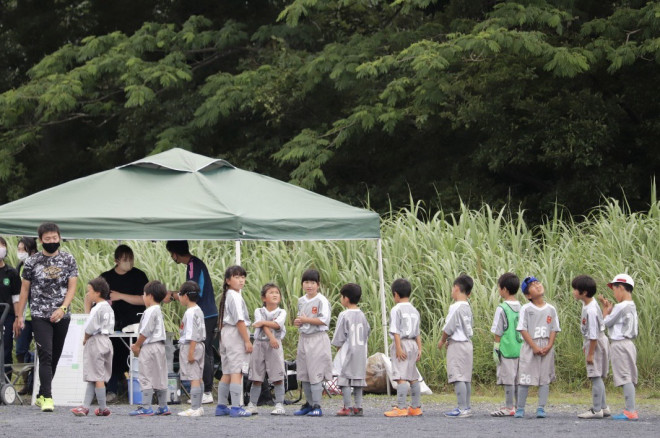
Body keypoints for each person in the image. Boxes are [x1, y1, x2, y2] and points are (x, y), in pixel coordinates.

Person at [13, 222, 78, 412]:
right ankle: (48, 398)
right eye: (47, 239)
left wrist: (63, 308)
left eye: (54, 238)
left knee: (55, 356)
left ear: (59, 237)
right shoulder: (32, 262)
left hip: (62, 315)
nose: (51, 241)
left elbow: (72, 286)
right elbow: (24, 290)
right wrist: (20, 316)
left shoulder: (68, 259)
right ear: (41, 240)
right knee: (46, 354)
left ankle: (42, 393)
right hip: (39, 314)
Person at [166, 240, 217, 404]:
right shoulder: (194, 264)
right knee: (205, 350)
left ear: (174, 253)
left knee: (204, 351)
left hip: (205, 314)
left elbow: (193, 290)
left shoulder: (193, 265)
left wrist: (173, 295)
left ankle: (207, 391)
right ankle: (203, 388)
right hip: (207, 313)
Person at [98, 244, 148, 402]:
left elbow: (145, 299)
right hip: (112, 325)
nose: (129, 262)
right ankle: (111, 389)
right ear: (116, 260)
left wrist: (121, 295)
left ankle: (140, 389)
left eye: (131, 259)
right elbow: (94, 298)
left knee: (135, 356)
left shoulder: (139, 276)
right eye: (125, 260)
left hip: (135, 324)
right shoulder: (106, 278)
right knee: (111, 356)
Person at [515, 276, 560, 419]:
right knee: (525, 378)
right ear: (528, 295)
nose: (537, 286)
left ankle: (541, 408)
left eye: (538, 283)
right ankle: (520, 408)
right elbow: (522, 329)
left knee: (544, 378)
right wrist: (534, 347)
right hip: (530, 346)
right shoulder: (526, 309)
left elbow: (554, 328)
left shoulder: (551, 309)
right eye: (533, 286)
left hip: (546, 346)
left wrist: (550, 345)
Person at [71, 277, 115, 417]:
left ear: (98, 292)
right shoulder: (108, 307)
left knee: (97, 376)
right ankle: (85, 406)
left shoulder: (97, 309)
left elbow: (89, 327)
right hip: (107, 341)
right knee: (95, 375)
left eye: (89, 291)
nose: (88, 294)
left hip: (96, 341)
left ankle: (102, 408)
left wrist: (85, 339)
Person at [293, 269, 332, 417]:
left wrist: (305, 320)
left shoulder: (321, 300)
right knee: (304, 374)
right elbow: (301, 319)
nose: (309, 285)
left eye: (312, 282)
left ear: (318, 285)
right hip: (304, 338)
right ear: (302, 284)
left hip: (317, 338)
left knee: (315, 373)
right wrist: (298, 322)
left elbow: (323, 320)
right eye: (306, 282)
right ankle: (309, 404)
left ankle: (317, 405)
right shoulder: (301, 301)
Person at [214, 265, 252, 418]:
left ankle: (221, 405)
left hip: (226, 333)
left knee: (228, 370)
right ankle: (236, 407)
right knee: (237, 370)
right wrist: (247, 341)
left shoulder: (229, 295)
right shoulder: (235, 296)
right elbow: (240, 321)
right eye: (236, 277)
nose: (241, 280)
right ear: (228, 280)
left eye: (243, 277)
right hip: (235, 334)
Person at [600, 273, 638, 421]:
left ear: (621, 288)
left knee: (624, 377)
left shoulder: (621, 306)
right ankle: (630, 409)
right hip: (629, 344)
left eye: (614, 289)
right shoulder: (631, 305)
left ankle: (630, 411)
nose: (614, 293)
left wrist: (606, 310)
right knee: (628, 375)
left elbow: (605, 323)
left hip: (620, 344)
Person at [129, 281, 171, 416]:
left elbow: (146, 331)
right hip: (160, 346)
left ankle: (146, 406)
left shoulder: (149, 311)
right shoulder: (158, 310)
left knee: (145, 374)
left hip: (149, 346)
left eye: (144, 294)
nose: (143, 296)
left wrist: (137, 345)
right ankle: (163, 406)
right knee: (160, 375)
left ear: (150, 296)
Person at [572, 275, 610, 419]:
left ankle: (596, 410)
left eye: (576, 289)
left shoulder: (590, 310)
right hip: (597, 340)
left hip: (595, 342)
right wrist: (605, 309)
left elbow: (593, 335)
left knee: (595, 376)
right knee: (598, 375)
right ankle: (604, 407)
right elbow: (599, 323)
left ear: (584, 293)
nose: (574, 292)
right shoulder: (590, 303)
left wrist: (590, 354)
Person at [247, 283, 287, 416]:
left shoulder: (281, 312)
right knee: (256, 376)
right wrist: (271, 337)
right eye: (271, 292)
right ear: (264, 298)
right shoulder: (259, 311)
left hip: (275, 346)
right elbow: (262, 325)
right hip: (260, 344)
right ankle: (253, 404)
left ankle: (279, 404)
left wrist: (264, 323)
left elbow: (276, 325)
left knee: (277, 375)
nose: (275, 294)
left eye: (277, 292)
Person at [384, 278, 422, 418]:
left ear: (396, 294)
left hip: (402, 343)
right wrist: (420, 348)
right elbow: (418, 332)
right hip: (413, 344)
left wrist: (398, 348)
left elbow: (396, 331)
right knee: (413, 376)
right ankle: (416, 407)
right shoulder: (414, 310)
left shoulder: (396, 309)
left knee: (400, 376)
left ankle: (401, 407)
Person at [332, 283, 370, 417]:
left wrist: (337, 346)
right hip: (361, 350)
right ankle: (358, 407)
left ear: (346, 298)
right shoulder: (362, 315)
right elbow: (367, 331)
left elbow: (339, 334)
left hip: (348, 349)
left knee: (344, 379)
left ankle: (347, 407)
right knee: (358, 378)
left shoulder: (344, 314)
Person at [439, 274, 475, 418]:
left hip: (457, 346)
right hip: (467, 344)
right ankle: (466, 406)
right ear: (469, 292)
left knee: (457, 376)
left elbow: (449, 327)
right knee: (466, 377)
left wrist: (442, 340)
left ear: (456, 288)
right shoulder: (467, 307)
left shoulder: (455, 307)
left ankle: (461, 409)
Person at [490, 273, 522, 417]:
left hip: (506, 348)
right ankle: (517, 406)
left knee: (508, 379)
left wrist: (496, 347)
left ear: (504, 289)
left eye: (499, 287)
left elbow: (498, 330)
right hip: (520, 348)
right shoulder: (522, 306)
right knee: (517, 379)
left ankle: (509, 407)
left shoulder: (502, 308)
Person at [177, 281, 206, 417]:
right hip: (200, 345)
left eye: (180, 294)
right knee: (199, 377)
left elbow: (192, 334)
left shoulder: (190, 312)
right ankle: (199, 406)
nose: (179, 297)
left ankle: (194, 407)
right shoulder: (198, 310)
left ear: (186, 296)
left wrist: (190, 352)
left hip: (191, 345)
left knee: (193, 377)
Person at [14, 237, 38, 395]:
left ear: (33, 251)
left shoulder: (37, 267)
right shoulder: (18, 269)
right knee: (20, 351)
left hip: (37, 315)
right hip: (22, 316)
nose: (21, 252)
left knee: (43, 350)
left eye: (24, 249)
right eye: (19, 249)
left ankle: (35, 383)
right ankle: (25, 382)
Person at [0, 237, 20, 379]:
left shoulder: (11, 273)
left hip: (7, 317)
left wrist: (18, 318)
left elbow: (16, 298)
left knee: (6, 349)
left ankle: (5, 381)